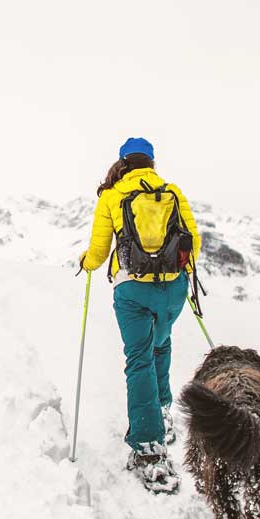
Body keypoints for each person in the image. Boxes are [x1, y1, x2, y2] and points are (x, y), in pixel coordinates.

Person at [79, 137, 201, 494]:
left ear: (123, 163)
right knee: (160, 345)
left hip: (132, 290)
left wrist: (86, 263)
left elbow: (100, 252)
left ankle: (149, 447)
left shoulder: (112, 196)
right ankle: (162, 409)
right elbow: (193, 240)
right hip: (174, 289)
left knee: (139, 359)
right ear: (151, 163)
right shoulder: (172, 192)